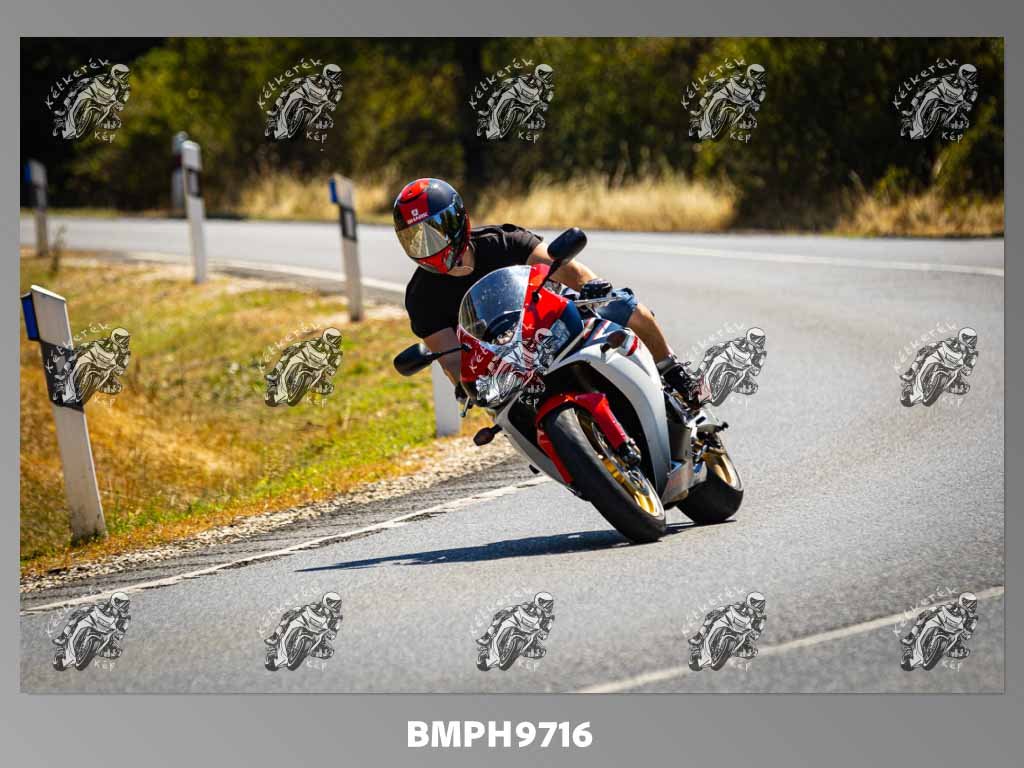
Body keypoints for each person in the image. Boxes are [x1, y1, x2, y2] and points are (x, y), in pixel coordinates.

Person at [393, 178, 704, 408]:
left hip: (553, 318)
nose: (430, 247)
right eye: (417, 239)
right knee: (507, 417)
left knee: (628, 307)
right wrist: (465, 385)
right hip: (504, 363)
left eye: (436, 232)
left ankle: (672, 370)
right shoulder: (421, 297)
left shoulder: (502, 241)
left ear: (459, 220)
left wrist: (594, 286)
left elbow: (567, 269)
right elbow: (452, 361)